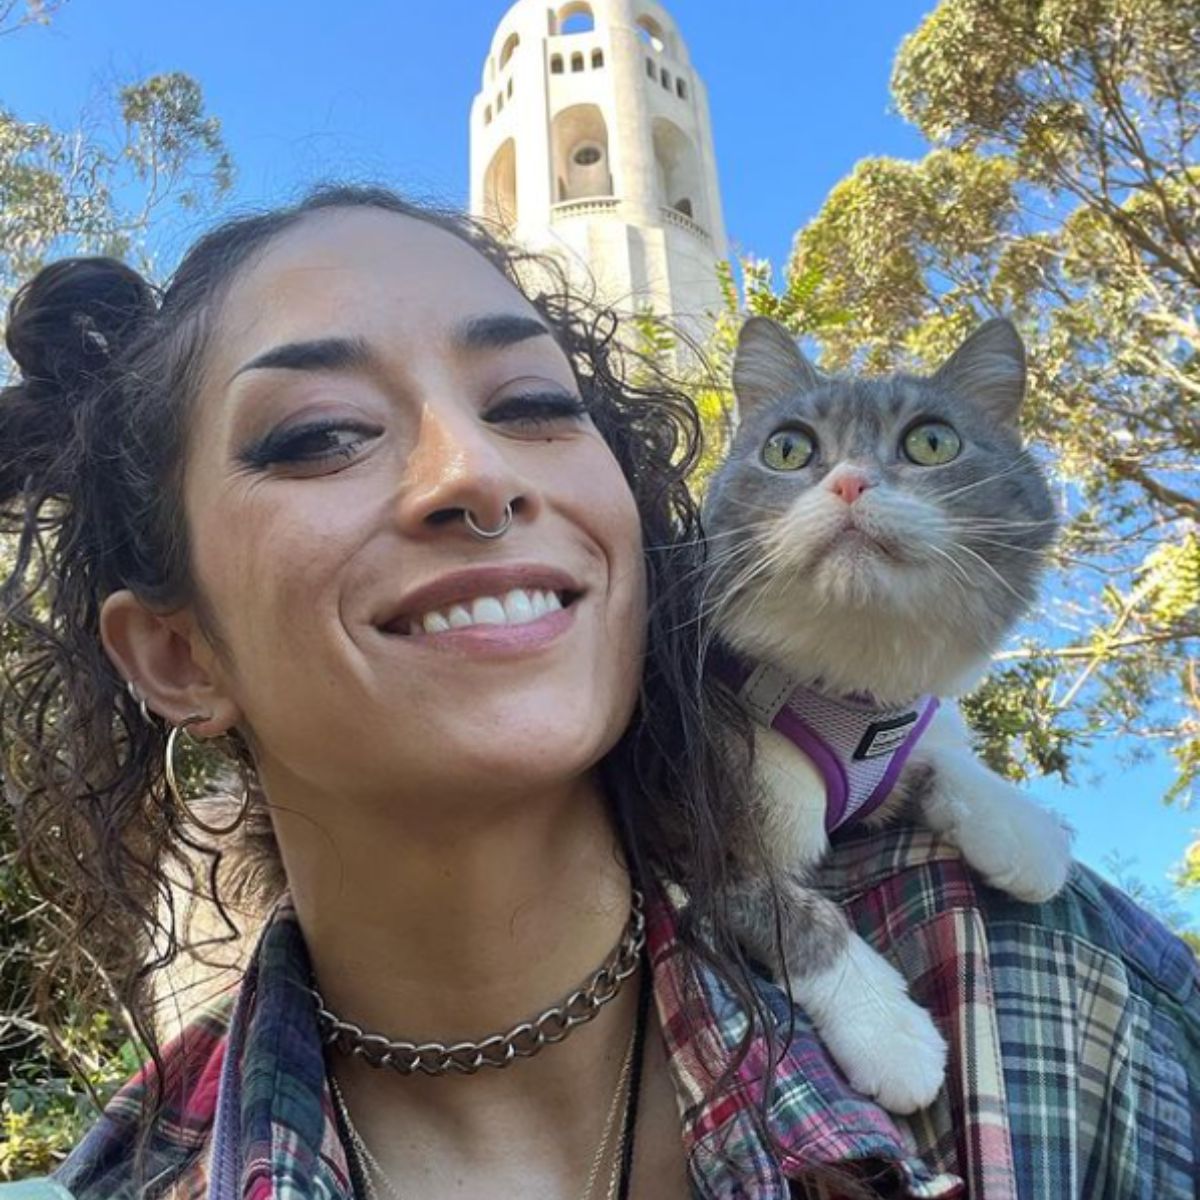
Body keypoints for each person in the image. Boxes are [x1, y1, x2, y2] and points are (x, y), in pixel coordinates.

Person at [0, 186, 1196, 1200]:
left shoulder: (1068, 986)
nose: (475, 471)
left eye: (532, 406)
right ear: (175, 655)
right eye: (320, 434)